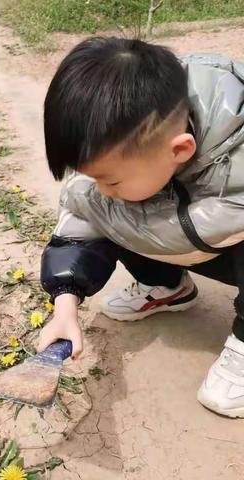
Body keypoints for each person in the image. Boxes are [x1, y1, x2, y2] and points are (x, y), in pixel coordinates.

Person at [38, 36, 244, 418]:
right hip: (200, 229)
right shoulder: (137, 136)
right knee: (118, 208)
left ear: (179, 150)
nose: (102, 189)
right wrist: (64, 306)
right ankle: (167, 286)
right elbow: (84, 216)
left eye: (110, 179)